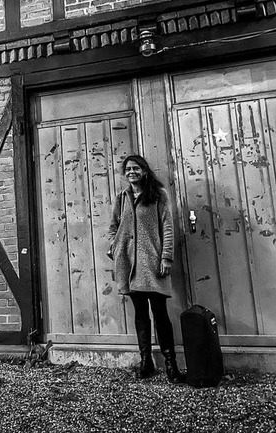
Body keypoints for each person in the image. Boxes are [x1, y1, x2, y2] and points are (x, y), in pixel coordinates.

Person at [108, 154, 186, 383]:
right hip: (129, 263)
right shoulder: (122, 197)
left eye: (136, 168)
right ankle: (146, 363)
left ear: (144, 171)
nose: (131, 172)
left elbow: (168, 228)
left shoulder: (157, 195)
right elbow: (113, 226)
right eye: (128, 169)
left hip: (152, 263)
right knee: (141, 315)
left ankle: (171, 364)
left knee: (160, 313)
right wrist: (114, 246)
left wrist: (166, 258)